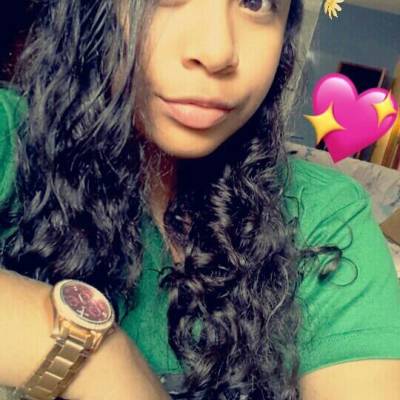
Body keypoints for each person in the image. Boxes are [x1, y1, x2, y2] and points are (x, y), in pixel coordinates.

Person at [0, 0, 399, 399]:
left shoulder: (326, 213)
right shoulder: (12, 139)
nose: (216, 51)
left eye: (255, 2)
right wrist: (97, 356)